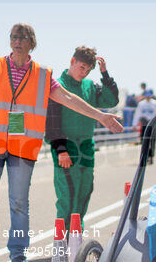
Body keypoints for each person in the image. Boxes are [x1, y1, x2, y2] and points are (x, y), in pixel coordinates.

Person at [0, 23, 122, 262]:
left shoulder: (43, 74)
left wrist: (101, 116)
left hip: (22, 145)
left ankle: (18, 254)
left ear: (32, 43)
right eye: (14, 37)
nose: (17, 41)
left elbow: (69, 99)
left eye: (23, 38)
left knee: (19, 202)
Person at [45, 46, 119, 231]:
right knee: (67, 196)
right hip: (65, 146)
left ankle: (75, 241)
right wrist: (60, 150)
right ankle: (61, 243)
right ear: (72, 61)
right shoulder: (57, 85)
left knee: (84, 193)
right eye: (82, 67)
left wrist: (105, 74)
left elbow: (111, 101)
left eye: (88, 70)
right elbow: (52, 123)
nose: (84, 73)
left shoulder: (90, 86)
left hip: (86, 145)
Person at [134, 92, 156, 164]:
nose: (148, 98)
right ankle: (144, 156)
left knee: (152, 141)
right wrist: (134, 124)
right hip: (144, 123)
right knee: (144, 140)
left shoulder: (155, 103)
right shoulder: (141, 104)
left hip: (152, 123)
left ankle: (151, 157)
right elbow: (137, 114)